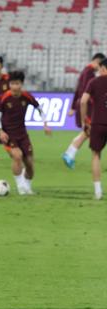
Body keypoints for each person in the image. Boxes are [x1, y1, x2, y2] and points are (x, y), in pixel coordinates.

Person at [0, 71, 51, 194]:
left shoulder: (27, 96)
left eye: (17, 84)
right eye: (12, 84)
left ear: (22, 84)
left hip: (23, 134)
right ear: (9, 84)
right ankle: (20, 187)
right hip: (8, 135)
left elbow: (39, 109)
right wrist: (0, 131)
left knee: (29, 164)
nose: (15, 86)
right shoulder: (3, 98)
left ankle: (27, 187)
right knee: (17, 156)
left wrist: (45, 124)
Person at [62, 52, 106, 169]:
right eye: (100, 65)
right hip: (89, 106)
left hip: (85, 105)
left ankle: (70, 153)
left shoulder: (85, 71)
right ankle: (69, 153)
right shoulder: (90, 73)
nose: (99, 69)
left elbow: (78, 90)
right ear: (97, 62)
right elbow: (87, 92)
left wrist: (73, 107)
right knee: (89, 131)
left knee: (88, 132)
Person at [80, 58, 107, 200]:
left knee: (96, 155)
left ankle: (98, 192)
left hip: (98, 123)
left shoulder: (94, 82)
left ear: (102, 68)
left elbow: (83, 101)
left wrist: (84, 120)